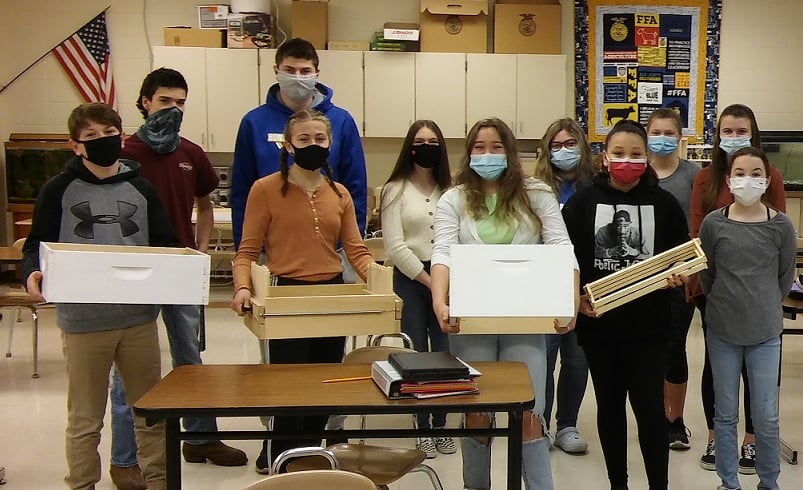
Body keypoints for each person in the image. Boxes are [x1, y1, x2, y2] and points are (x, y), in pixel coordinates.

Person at [20, 102, 177, 490]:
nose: (102, 141)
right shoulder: (59, 189)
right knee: (86, 418)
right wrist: (31, 274)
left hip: (137, 319)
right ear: (76, 146)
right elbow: (35, 245)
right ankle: (82, 485)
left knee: (149, 412)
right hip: (84, 322)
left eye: (108, 134)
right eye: (91, 136)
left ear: (121, 137)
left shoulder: (141, 188)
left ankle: (159, 482)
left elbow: (165, 242)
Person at [107, 67, 246, 489]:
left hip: (180, 267)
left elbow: (206, 205)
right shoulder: (123, 152)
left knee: (190, 358)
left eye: (181, 102)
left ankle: (202, 437)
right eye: (165, 101)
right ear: (145, 102)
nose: (174, 108)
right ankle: (125, 458)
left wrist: (200, 250)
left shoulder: (191, 153)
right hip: (134, 272)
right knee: (128, 370)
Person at [431, 117, 579, 489]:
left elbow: (562, 247)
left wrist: (569, 302)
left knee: (530, 411)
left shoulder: (537, 192)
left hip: (525, 319)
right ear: (468, 154)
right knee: (476, 410)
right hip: (472, 318)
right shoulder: (455, 197)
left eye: (496, 147)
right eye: (479, 147)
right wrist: (440, 301)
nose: (488, 154)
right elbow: (443, 252)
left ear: (510, 152)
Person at [230, 109, 373, 474]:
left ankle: (312, 459)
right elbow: (246, 251)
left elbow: (355, 249)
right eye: (305, 139)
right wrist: (243, 288)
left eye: (320, 139)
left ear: (330, 143)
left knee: (323, 386)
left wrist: (380, 280)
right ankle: (282, 460)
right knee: (288, 387)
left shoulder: (338, 193)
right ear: (289, 145)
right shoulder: (264, 190)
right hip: (286, 297)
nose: (313, 145)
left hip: (330, 295)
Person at [562, 119, 689, 490]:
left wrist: (678, 274)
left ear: (646, 158)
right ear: (605, 157)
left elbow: (679, 256)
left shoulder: (664, 204)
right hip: (599, 326)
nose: (627, 161)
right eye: (618, 153)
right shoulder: (582, 203)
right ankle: (618, 483)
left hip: (649, 327)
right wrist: (576, 298)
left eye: (636, 154)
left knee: (650, 410)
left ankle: (658, 486)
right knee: (610, 407)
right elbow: (565, 258)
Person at [688, 103, 786, 474]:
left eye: (740, 131)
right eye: (726, 131)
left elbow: (779, 246)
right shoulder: (705, 179)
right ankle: (717, 436)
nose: (733, 138)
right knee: (718, 369)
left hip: (759, 296)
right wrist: (711, 291)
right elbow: (698, 236)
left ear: (754, 134)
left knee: (757, 372)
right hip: (714, 291)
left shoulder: (770, 176)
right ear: (717, 137)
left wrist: (766, 297)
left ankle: (751, 442)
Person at [230, 37, 367, 250]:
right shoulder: (254, 123)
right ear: (276, 70)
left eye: (304, 71)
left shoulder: (341, 121)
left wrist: (351, 245)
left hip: (331, 246)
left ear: (316, 73)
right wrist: (245, 251)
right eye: (290, 70)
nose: (297, 77)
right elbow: (241, 193)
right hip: (272, 246)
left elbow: (355, 188)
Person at [380, 120, 455, 458]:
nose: (427, 146)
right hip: (410, 278)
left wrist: (445, 282)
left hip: (448, 274)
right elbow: (395, 246)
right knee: (417, 351)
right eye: (420, 141)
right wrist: (429, 282)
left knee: (445, 348)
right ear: (410, 147)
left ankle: (440, 423)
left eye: (433, 141)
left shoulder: (450, 190)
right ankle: (420, 422)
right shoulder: (394, 189)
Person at [533, 118, 595, 454]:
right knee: (543, 357)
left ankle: (567, 425)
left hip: (583, 288)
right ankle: (539, 423)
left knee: (576, 358)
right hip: (544, 286)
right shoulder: (534, 189)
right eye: (556, 145)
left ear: (583, 147)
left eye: (570, 144)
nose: (563, 151)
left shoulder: (595, 188)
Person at [646, 108, 700, 451]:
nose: (662, 138)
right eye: (656, 132)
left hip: (679, 277)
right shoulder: (638, 172)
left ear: (680, 137)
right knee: (644, 349)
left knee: (673, 348)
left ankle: (674, 421)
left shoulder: (694, 176)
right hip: (639, 278)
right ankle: (651, 416)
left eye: (669, 132)